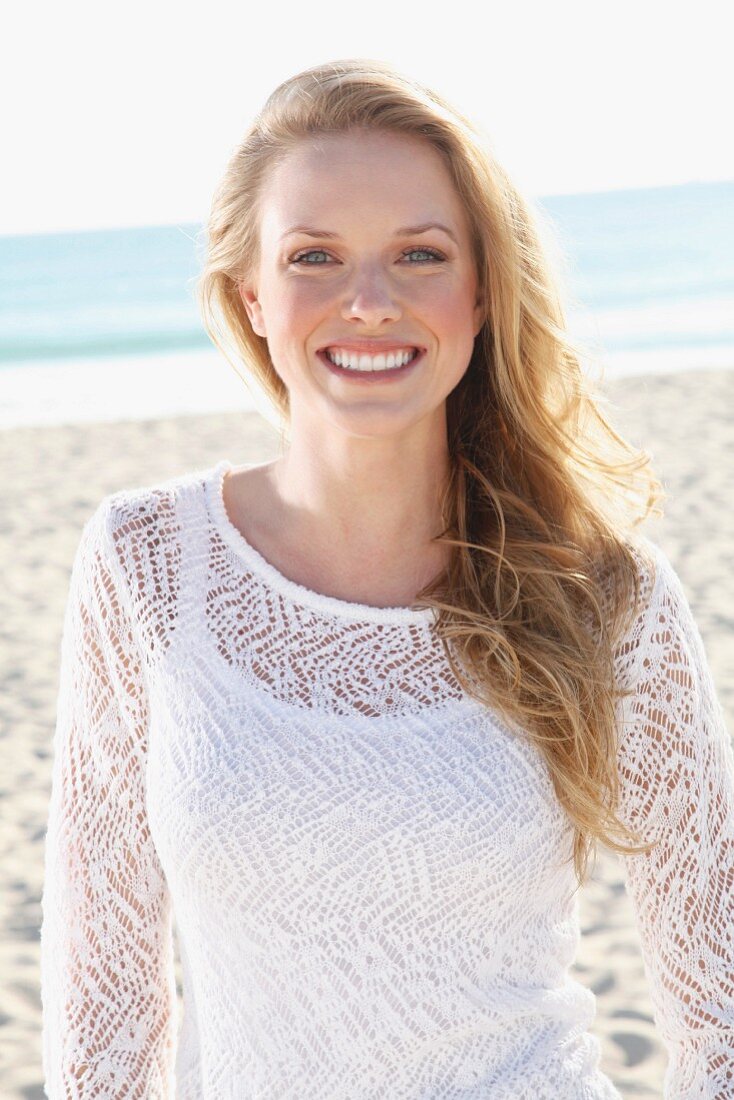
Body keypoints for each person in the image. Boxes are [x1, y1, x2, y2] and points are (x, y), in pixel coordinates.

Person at [40, 59, 734, 1099]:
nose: (367, 301)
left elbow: (716, 989)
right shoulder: (145, 563)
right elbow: (106, 991)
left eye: (419, 254)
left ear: (481, 289)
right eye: (314, 255)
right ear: (253, 296)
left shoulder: (597, 591)